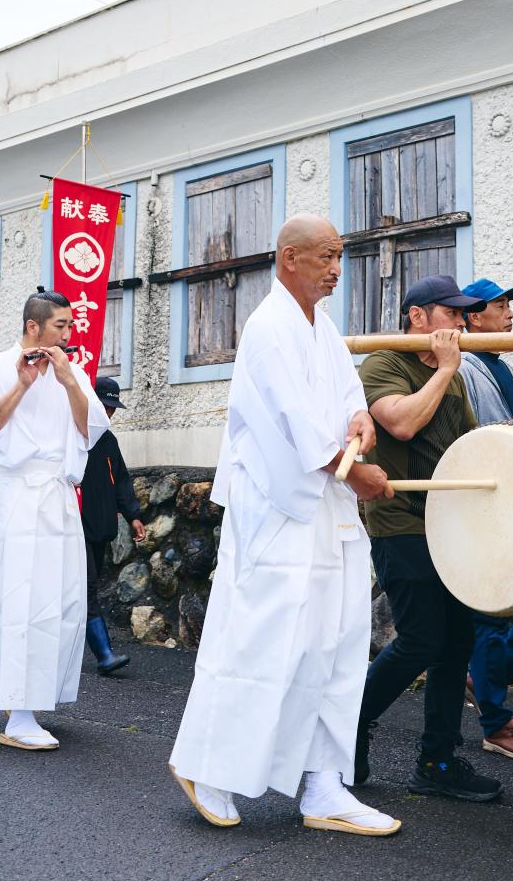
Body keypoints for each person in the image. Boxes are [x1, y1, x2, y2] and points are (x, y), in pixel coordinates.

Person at [170, 215, 400, 836]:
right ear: (290, 257)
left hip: (326, 503)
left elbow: (347, 397)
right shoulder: (268, 325)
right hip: (277, 507)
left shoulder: (321, 328)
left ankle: (323, 784)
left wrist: (361, 421)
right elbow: (298, 425)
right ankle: (207, 768)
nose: (336, 269)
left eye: (340, 257)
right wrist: (358, 472)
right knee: (263, 639)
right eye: (327, 256)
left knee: (334, 640)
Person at [353, 274, 501, 804]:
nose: (461, 323)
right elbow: (402, 424)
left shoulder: (450, 373)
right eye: (451, 313)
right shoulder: (383, 364)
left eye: (464, 314)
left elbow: (469, 444)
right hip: (399, 523)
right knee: (420, 640)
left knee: (457, 643)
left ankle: (437, 761)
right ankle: (349, 727)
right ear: (418, 316)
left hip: (448, 524)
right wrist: (445, 370)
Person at [0, 289, 107, 751]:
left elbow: (90, 430)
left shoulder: (71, 370)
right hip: (17, 495)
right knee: (20, 599)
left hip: (57, 495)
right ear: (33, 326)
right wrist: (22, 385)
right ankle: (18, 712)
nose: (67, 333)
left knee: (59, 599)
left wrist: (69, 382)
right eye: (60, 325)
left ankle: (35, 699)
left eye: (69, 325)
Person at [455, 277, 513, 762]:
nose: (509, 313)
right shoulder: (462, 367)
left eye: (510, 305)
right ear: (473, 317)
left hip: (511, 494)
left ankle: (484, 679)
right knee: (487, 618)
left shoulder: (504, 365)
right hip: (479, 498)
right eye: (499, 306)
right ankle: (495, 721)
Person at [79, 375, 147, 674]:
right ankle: (104, 654)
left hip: (101, 528)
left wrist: (134, 515)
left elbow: (121, 481)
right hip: (74, 526)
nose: (109, 413)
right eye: (104, 407)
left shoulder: (108, 440)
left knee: (86, 588)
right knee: (86, 587)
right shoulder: (74, 436)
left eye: (112, 408)